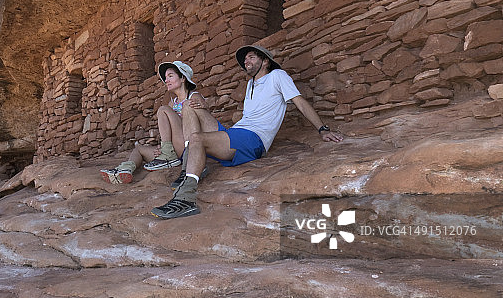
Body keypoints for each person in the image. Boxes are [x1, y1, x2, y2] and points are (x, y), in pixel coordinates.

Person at [151, 44, 344, 219]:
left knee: (197, 139)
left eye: (252, 57)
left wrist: (322, 129)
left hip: (253, 139)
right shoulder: (250, 84)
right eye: (246, 59)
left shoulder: (278, 76)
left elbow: (300, 102)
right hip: (237, 134)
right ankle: (188, 168)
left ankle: (186, 198)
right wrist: (201, 104)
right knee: (188, 107)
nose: (246, 61)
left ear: (266, 61)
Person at [100, 60, 206, 184]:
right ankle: (125, 170)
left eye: (170, 76)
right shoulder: (173, 103)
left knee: (163, 109)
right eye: (166, 77)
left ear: (183, 78)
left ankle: (167, 154)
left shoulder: (193, 96)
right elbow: (169, 128)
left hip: (188, 147)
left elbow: (203, 121)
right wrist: (163, 147)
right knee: (139, 149)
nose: (166, 80)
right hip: (174, 150)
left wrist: (203, 105)